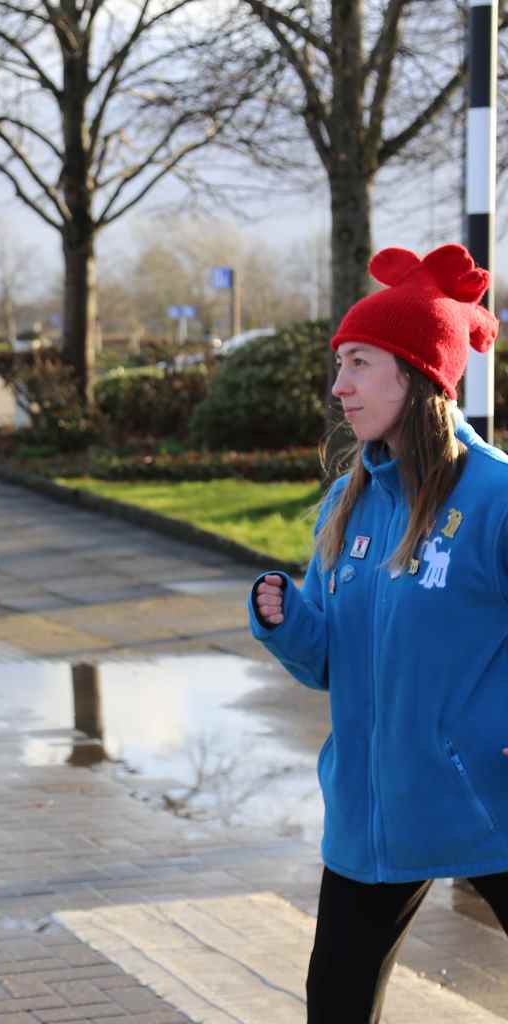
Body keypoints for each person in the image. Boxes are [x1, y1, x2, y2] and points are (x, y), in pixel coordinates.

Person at [249, 243, 508, 1024]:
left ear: (417, 372)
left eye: (360, 363)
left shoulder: (495, 497)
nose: (340, 386)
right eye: (340, 364)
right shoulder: (347, 503)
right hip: (371, 810)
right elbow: (331, 661)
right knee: (334, 1004)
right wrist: (289, 623)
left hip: (483, 803)